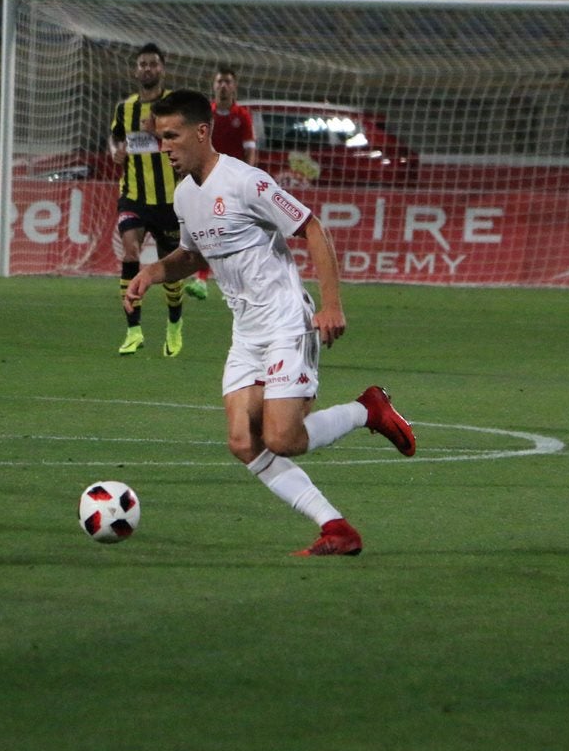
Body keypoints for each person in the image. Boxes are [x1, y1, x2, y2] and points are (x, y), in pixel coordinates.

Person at [125, 89, 416, 557]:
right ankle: (336, 528)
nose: (164, 148)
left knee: (282, 439)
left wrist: (331, 306)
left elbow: (312, 227)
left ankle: (368, 409)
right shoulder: (184, 197)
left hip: (285, 322)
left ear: (202, 132)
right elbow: (193, 255)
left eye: (172, 136)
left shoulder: (247, 182)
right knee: (243, 442)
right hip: (246, 333)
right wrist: (154, 271)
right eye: (159, 138)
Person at [109, 43, 189, 357]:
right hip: (133, 196)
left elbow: (182, 140)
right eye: (142, 64)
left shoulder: (173, 106)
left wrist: (155, 134)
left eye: (153, 64)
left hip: (170, 200)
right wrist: (116, 151)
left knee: (171, 269)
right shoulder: (124, 108)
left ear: (162, 68)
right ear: (136, 70)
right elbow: (117, 137)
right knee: (130, 253)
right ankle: (133, 330)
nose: (147, 69)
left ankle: (174, 325)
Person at [183, 65, 259, 302]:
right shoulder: (207, 114)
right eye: (220, 82)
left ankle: (219, 280)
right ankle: (204, 279)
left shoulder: (242, 116)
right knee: (208, 228)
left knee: (229, 230)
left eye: (227, 82)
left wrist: (248, 177)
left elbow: (250, 150)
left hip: (234, 183)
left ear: (234, 86)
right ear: (214, 86)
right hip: (208, 180)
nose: (223, 86)